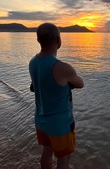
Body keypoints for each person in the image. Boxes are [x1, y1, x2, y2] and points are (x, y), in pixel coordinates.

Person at [29, 22, 84, 169]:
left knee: (47, 152)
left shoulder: (33, 62)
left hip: (41, 120)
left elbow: (36, 86)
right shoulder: (62, 67)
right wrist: (68, 82)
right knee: (64, 160)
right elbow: (80, 83)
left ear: (38, 40)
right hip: (60, 124)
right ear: (59, 40)